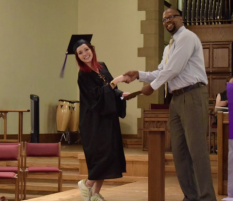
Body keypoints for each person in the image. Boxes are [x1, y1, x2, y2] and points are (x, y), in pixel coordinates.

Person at [124, 8, 216, 201]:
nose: (167, 21)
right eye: (164, 19)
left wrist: (152, 87)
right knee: (179, 151)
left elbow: (174, 69)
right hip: (175, 98)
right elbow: (161, 71)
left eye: (171, 17)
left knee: (197, 150)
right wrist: (139, 75)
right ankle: (191, 196)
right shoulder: (168, 47)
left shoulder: (187, 38)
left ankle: (207, 197)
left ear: (181, 18)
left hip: (192, 95)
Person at [65, 35, 130, 201]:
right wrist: (115, 83)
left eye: (86, 49)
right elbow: (96, 96)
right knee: (102, 156)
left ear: (91, 49)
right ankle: (87, 184)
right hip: (93, 122)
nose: (85, 53)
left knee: (110, 154)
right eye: (80, 52)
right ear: (78, 57)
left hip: (108, 118)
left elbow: (109, 89)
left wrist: (121, 94)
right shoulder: (83, 75)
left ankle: (95, 195)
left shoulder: (102, 67)